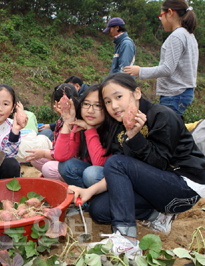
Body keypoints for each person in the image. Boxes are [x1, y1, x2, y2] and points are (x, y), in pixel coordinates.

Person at [69, 73, 204, 259]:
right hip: (157, 192)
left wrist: (135, 137)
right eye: (107, 102)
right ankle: (158, 216)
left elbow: (161, 164)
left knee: (115, 162)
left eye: (118, 97)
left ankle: (126, 239)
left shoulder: (162, 116)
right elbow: (120, 172)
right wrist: (90, 191)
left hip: (185, 188)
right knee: (99, 209)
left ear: (137, 93)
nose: (114, 106)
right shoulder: (119, 127)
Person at [124, 0, 198, 117]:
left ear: (170, 13)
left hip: (174, 94)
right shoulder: (189, 35)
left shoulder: (176, 36)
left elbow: (167, 69)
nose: (161, 20)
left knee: (167, 130)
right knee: (174, 127)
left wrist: (140, 71)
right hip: (183, 92)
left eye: (161, 16)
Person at [55, 84, 111, 188]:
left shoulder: (113, 130)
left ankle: (100, 200)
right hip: (90, 172)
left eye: (98, 105)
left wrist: (90, 129)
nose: (90, 110)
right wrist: (68, 122)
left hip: (109, 176)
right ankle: (86, 200)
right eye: (86, 104)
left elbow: (99, 163)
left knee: (91, 173)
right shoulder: (80, 127)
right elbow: (60, 156)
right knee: (66, 166)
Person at [25, 84, 79, 181]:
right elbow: (56, 147)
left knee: (48, 168)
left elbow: (66, 154)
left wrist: (44, 154)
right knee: (35, 157)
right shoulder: (60, 121)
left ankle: (64, 183)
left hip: (71, 162)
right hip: (61, 158)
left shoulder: (75, 122)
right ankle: (51, 176)